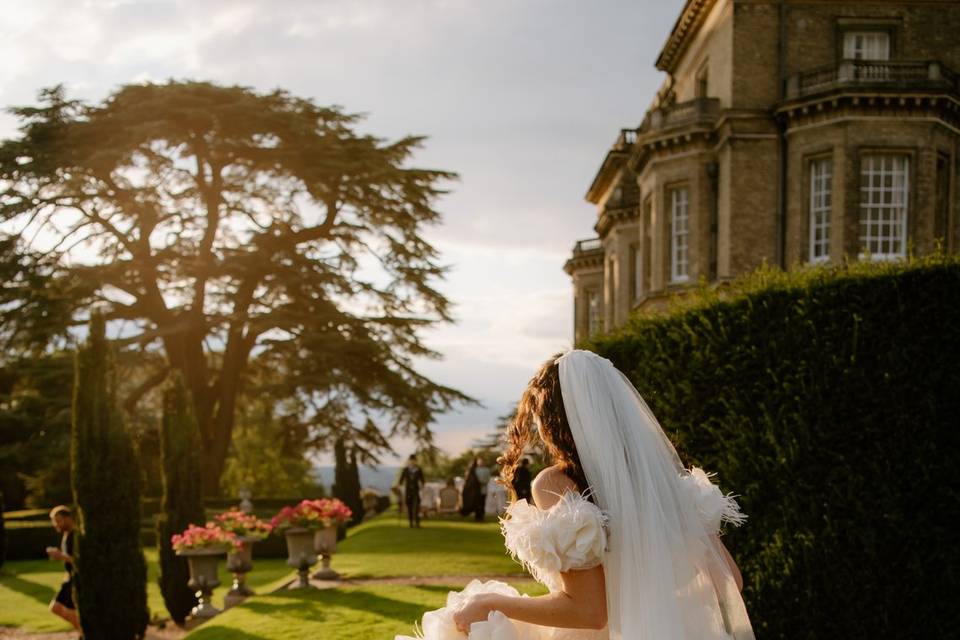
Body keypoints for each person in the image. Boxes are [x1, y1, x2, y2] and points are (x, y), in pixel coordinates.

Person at [396, 350, 754, 640]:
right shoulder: (669, 487)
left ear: (554, 420)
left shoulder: (557, 483)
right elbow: (730, 581)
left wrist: (495, 604)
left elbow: (589, 611)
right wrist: (658, 612)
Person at [46, 505, 80, 633]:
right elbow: (68, 558)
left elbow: (80, 560)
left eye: (58, 520)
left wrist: (61, 556)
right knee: (55, 608)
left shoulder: (75, 535)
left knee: (65, 610)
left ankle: (85, 633)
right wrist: (60, 555)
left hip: (77, 579)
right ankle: (84, 632)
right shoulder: (66, 535)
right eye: (54, 521)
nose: (56, 524)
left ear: (68, 518)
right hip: (70, 578)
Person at [398, 454, 425, 528]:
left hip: (416, 491)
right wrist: (399, 486)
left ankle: (417, 523)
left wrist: (422, 485)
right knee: (409, 507)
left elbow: (422, 480)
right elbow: (401, 480)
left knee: (416, 507)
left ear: (416, 461)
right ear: (409, 461)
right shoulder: (405, 470)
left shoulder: (418, 469)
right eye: (411, 460)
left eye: (414, 460)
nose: (412, 462)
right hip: (408, 491)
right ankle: (411, 523)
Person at [472, 457, 491, 522]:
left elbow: (487, 479)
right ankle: (477, 516)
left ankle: (482, 516)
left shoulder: (487, 470)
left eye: (482, 461)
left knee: (482, 503)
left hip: (483, 489)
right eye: (479, 461)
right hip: (476, 490)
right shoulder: (475, 470)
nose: (480, 463)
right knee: (477, 503)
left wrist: (482, 482)